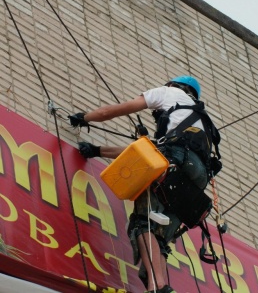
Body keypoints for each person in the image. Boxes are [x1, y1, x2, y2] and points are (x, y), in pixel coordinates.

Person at [69, 75, 221, 293]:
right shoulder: (200, 120)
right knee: (158, 236)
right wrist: (96, 151)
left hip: (175, 163)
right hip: (196, 180)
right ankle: (159, 287)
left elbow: (112, 111)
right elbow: (145, 151)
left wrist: (85, 117)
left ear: (173, 85)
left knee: (143, 223)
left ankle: (157, 286)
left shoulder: (168, 93)